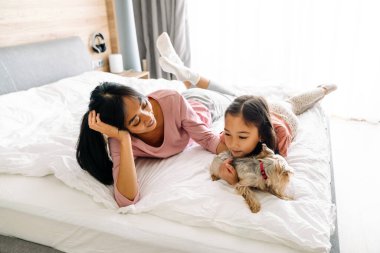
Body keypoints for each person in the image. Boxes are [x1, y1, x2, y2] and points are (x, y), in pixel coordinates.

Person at [156, 32, 337, 186]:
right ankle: (187, 77)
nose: (233, 144)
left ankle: (322, 89)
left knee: (295, 102)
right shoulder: (229, 136)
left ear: (261, 135)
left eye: (242, 137)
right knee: (235, 98)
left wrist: (236, 179)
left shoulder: (278, 139)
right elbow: (218, 145)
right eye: (228, 134)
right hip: (256, 110)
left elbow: (274, 174)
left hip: (282, 113)